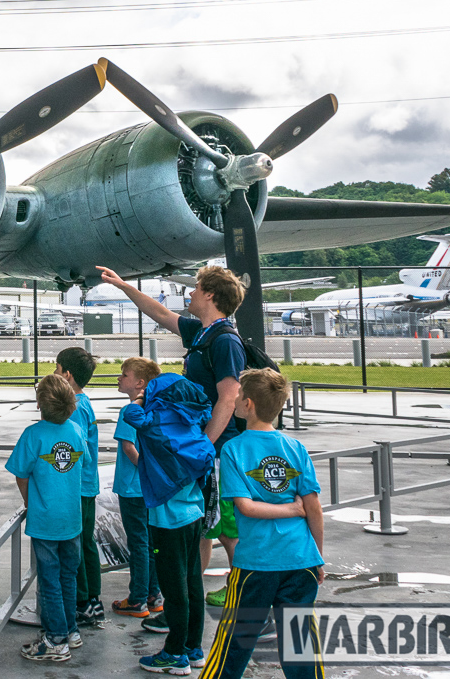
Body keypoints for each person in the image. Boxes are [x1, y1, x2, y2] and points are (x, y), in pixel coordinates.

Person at [96, 265, 247, 605]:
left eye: (195, 288)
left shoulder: (224, 341)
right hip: (199, 449)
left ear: (210, 294)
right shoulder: (203, 332)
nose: (189, 293)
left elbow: (228, 396)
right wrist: (123, 286)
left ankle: (225, 600)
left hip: (213, 450)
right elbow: (160, 312)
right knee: (203, 528)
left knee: (220, 526)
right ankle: (185, 602)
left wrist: (202, 445)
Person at [200, 369, 324, 679]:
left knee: (232, 645)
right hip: (300, 559)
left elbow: (245, 507)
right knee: (301, 647)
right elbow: (314, 508)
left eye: (239, 395)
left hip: (257, 563)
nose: (236, 400)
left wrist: (293, 512)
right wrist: (317, 555)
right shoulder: (296, 448)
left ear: (249, 404)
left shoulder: (233, 449)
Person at [130, 373, 215, 675]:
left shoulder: (156, 426)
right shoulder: (191, 425)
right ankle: (194, 647)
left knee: (174, 589)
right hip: (193, 515)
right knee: (193, 584)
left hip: (168, 522)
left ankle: (174, 653)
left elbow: (131, 414)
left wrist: (140, 398)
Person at [6, 374, 85, 663]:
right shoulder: (76, 431)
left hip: (46, 522)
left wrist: (30, 503)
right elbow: (82, 461)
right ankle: (70, 630)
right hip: (72, 519)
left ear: (40, 403)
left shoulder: (33, 435)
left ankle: (55, 640)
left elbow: (21, 474)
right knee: (68, 576)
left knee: (49, 580)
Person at [53, 346, 104, 627]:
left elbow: (72, 451)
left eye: (57, 368)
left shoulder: (72, 409)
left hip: (78, 487)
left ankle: (83, 600)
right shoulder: (85, 403)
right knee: (86, 542)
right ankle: (92, 598)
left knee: (77, 544)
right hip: (88, 485)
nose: (54, 372)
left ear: (67, 374)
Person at [110, 358, 161, 619]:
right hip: (150, 490)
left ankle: (138, 598)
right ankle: (155, 594)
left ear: (140, 383)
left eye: (124, 374)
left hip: (133, 489)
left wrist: (146, 471)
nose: (119, 378)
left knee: (138, 543)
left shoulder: (130, 410)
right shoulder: (155, 408)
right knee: (151, 542)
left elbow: (129, 447)